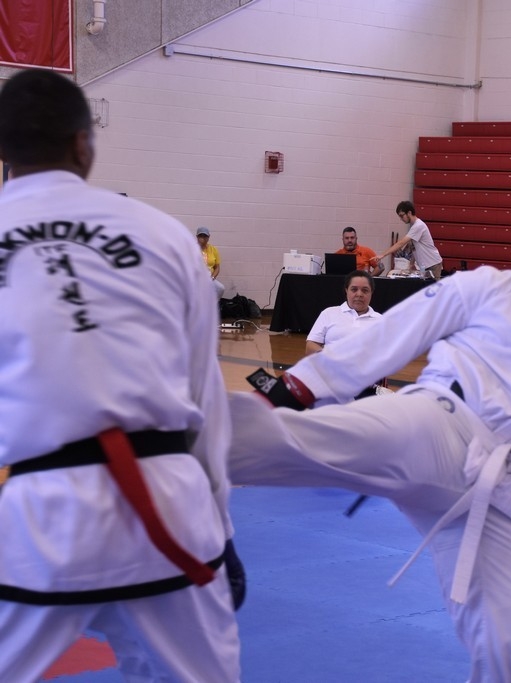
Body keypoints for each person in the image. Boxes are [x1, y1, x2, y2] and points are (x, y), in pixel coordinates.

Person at [233, 189, 511, 682]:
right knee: (297, 440)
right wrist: (289, 391)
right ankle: (177, 445)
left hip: (494, 492)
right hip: (436, 424)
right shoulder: (485, 288)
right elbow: (388, 336)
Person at [0, 69, 243, 682]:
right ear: (84, 143)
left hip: (44, 518)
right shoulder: (164, 234)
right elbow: (204, 395)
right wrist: (221, 524)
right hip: (172, 505)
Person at [305, 270, 382, 356]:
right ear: (346, 290)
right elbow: (310, 347)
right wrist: (331, 358)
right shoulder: (329, 313)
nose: (359, 294)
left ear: (371, 292)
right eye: (354, 289)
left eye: (365, 290)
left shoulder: (382, 320)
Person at [372, 201, 443, 279]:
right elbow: (414, 247)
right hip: (425, 266)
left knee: (433, 286)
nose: (401, 219)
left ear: (409, 213)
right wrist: (411, 264)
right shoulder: (413, 226)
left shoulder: (418, 226)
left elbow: (401, 243)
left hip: (432, 264)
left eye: (402, 216)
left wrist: (382, 255)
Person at [196, 226, 226, 298]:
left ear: (208, 237)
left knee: (220, 288)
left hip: (209, 278)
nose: (203, 238)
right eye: (200, 236)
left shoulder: (213, 249)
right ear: (197, 237)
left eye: (205, 236)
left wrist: (212, 278)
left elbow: (217, 267)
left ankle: (213, 303)